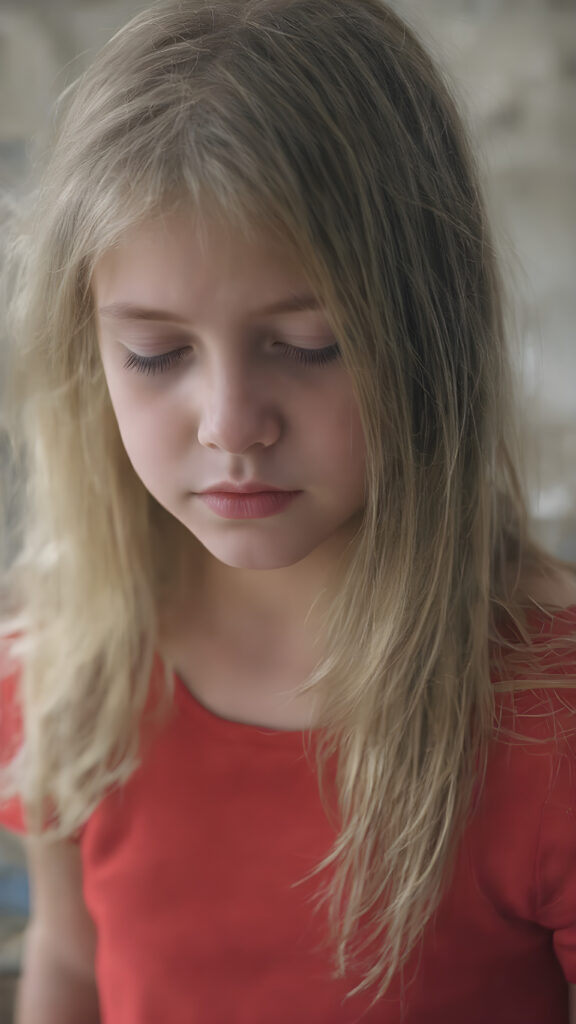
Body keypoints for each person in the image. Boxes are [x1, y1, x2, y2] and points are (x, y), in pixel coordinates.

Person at [0, 0, 575, 1021]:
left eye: (309, 345)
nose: (231, 423)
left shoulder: (549, 708)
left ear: (426, 336)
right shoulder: (65, 666)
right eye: (156, 353)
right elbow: (72, 966)